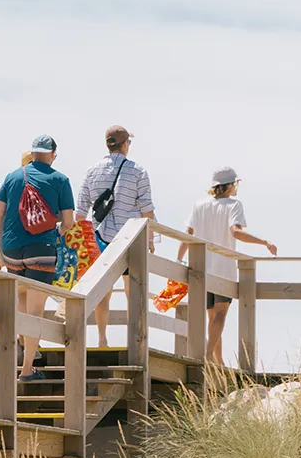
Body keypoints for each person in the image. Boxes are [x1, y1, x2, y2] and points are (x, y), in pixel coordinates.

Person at [0, 135, 75, 381]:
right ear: (53, 153)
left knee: (22, 302)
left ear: (33, 152)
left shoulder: (12, 177)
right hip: (41, 248)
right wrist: (54, 226)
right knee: (35, 310)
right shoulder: (60, 180)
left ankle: (24, 352)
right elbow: (68, 223)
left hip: (11, 250)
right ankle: (27, 369)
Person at [176, 168, 277, 366]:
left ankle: (218, 361)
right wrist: (265, 242)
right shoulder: (234, 205)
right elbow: (236, 232)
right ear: (230, 185)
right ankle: (207, 354)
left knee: (212, 318)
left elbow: (188, 234)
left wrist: (179, 261)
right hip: (223, 268)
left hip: (201, 268)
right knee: (220, 315)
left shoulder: (199, 205)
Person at [76, 126, 156, 347]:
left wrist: (83, 243)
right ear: (125, 144)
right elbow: (146, 208)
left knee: (103, 292)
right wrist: (151, 239)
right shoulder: (137, 171)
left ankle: (102, 339)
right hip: (130, 238)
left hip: (98, 238)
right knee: (134, 292)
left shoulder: (92, 171)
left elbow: (81, 211)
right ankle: (135, 340)